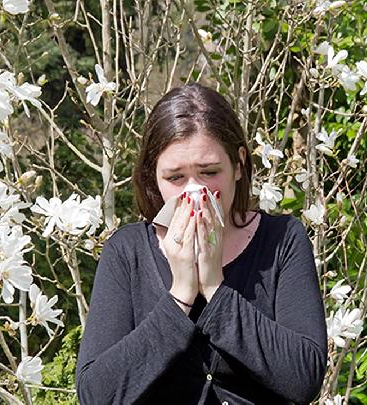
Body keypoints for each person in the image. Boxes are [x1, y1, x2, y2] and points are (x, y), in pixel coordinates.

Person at [75, 83, 327, 404]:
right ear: (154, 177)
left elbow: (304, 378)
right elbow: (96, 395)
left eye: (209, 172)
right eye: (175, 178)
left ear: (238, 165)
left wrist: (214, 289)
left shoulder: (282, 241)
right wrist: (180, 294)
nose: (195, 192)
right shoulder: (127, 252)